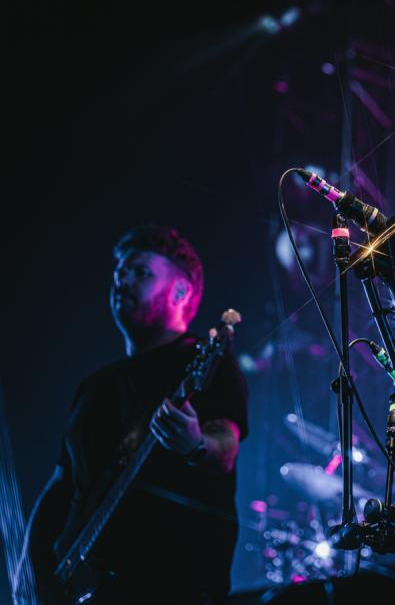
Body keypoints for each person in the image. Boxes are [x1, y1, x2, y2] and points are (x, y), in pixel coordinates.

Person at [26, 225, 248, 604]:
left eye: (141, 273)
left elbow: (225, 447)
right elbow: (62, 486)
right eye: (120, 273)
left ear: (180, 292)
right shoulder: (94, 386)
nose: (122, 281)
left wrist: (195, 444)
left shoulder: (206, 361)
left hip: (173, 588)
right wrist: (28, 575)